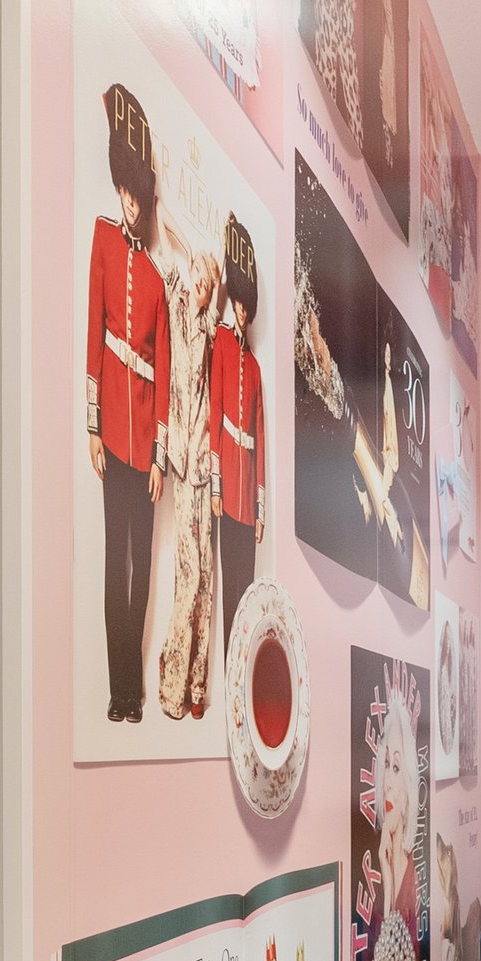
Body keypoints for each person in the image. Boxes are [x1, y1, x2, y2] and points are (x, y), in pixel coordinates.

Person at [86, 83, 173, 724]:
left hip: (144, 444)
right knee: (114, 559)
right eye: (124, 191)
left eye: (136, 195)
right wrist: (93, 425)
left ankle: (133, 693)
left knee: (141, 566)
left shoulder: (157, 280)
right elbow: (96, 331)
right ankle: (117, 688)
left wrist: (160, 457)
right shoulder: (102, 242)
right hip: (111, 428)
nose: (128, 203)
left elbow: (164, 374)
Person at [156, 237, 223, 722]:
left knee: (207, 574)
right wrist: (191, 249)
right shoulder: (177, 305)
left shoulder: (214, 331)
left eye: (207, 279)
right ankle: (170, 682)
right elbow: (163, 223)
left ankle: (198, 684)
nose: (199, 281)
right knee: (188, 574)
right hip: (182, 460)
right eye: (198, 273)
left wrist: (215, 280)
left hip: (205, 464)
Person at [366, 685, 429, 961]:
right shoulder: (383, 855)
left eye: (397, 768)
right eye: (384, 767)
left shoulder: (405, 872)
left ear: (409, 786)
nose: (389, 783)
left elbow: (392, 950)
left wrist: (390, 864)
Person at [209, 212, 267, 653]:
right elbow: (216, 414)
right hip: (226, 484)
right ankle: (229, 666)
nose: (243, 313)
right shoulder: (224, 346)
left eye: (248, 306)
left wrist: (261, 508)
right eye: (240, 304)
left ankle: (241, 663)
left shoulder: (258, 367)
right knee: (229, 584)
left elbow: (260, 441)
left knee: (246, 588)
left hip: (248, 496)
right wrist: (215, 485)